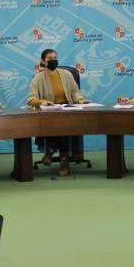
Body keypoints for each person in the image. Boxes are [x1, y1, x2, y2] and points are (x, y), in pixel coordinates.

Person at [27, 48, 89, 177]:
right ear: (43, 61)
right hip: (50, 112)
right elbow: (31, 99)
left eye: (55, 58)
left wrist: (80, 100)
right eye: (50, 59)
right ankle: (64, 161)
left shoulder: (66, 74)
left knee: (63, 125)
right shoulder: (38, 78)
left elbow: (74, 92)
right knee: (61, 127)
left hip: (67, 108)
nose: (54, 61)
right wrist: (42, 102)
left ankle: (51, 151)